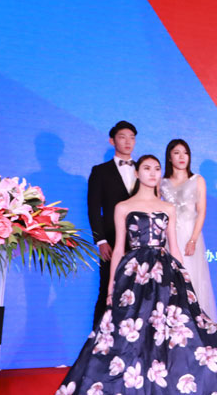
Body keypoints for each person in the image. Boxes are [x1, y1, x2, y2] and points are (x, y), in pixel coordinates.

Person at [58, 155, 217, 395]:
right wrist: (112, 285)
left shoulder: (167, 208)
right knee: (128, 330)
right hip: (134, 273)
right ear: (137, 173)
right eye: (147, 168)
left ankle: (168, 378)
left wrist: (185, 280)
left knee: (176, 327)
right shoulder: (123, 207)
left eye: (156, 168)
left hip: (165, 273)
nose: (153, 173)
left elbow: (174, 247)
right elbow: (119, 248)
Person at [159, 139, 217, 322]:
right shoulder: (162, 183)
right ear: (169, 157)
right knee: (171, 281)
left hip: (190, 236)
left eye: (185, 153)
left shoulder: (197, 180)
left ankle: (197, 325)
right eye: (176, 153)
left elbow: (201, 212)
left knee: (193, 278)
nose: (182, 157)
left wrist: (193, 239)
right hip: (169, 237)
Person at [87, 120, 137, 327]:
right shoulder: (100, 171)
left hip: (140, 241)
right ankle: (97, 339)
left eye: (132, 138)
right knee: (107, 289)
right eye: (122, 137)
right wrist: (101, 241)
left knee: (138, 291)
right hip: (112, 240)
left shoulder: (144, 170)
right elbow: (93, 208)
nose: (127, 142)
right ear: (112, 141)